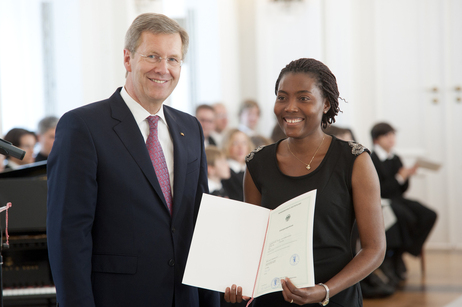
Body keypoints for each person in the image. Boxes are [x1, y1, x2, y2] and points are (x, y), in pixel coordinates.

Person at [47, 13, 219, 307]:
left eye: (173, 59)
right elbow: (68, 236)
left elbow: (199, 223)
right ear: (128, 59)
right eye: (153, 56)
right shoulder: (83, 127)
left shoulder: (190, 128)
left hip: (185, 297)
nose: (163, 69)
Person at [225, 58, 386, 306]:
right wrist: (237, 280)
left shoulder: (355, 161)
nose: (290, 107)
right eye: (282, 97)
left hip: (335, 296)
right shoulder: (257, 163)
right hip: (273, 298)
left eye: (303, 98)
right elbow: (253, 245)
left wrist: (325, 290)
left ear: (326, 104)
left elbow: (374, 249)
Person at [370, 122, 437, 284]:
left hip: (397, 198)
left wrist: (405, 177)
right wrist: (399, 177)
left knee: (429, 214)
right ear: (376, 140)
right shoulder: (372, 159)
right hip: (382, 200)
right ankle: (394, 257)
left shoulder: (396, 157)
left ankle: (404, 251)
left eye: (393, 135)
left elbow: (402, 189)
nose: (391, 139)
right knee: (405, 216)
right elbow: (379, 190)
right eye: (387, 135)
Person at [221, 129, 253, 201]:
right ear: (227, 145)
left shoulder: (251, 169)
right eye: (235, 143)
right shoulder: (225, 172)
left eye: (244, 143)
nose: (240, 147)